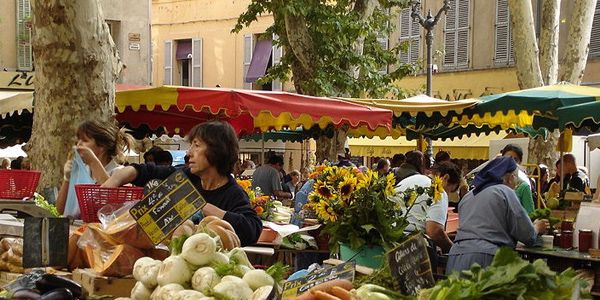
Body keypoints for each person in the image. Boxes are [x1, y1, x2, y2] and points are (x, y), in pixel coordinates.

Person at [103, 121, 262, 246]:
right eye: (190, 145)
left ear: (217, 151)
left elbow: (252, 228)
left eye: (196, 146)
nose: (188, 153)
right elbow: (150, 172)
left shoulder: (233, 193)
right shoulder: (187, 176)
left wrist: (199, 205)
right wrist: (121, 175)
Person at [446, 157, 549, 274]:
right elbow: (527, 235)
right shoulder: (505, 192)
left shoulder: (467, 197)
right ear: (510, 178)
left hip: (456, 257)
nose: (516, 185)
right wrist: (537, 227)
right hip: (486, 258)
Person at [57, 120, 136, 217]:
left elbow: (115, 207)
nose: (78, 144)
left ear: (102, 146)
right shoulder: (81, 172)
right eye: (78, 140)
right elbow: (60, 209)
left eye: (85, 140)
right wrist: (67, 179)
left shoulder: (120, 173)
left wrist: (93, 161)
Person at [392, 152, 455, 253]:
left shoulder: (406, 181)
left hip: (391, 244)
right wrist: (452, 249)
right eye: (451, 190)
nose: (449, 194)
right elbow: (434, 231)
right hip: (415, 248)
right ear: (446, 178)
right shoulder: (437, 189)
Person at [500, 144, 534, 213]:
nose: (510, 162)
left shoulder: (523, 187)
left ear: (520, 162)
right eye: (507, 158)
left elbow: (530, 215)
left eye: (515, 159)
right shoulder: (494, 183)